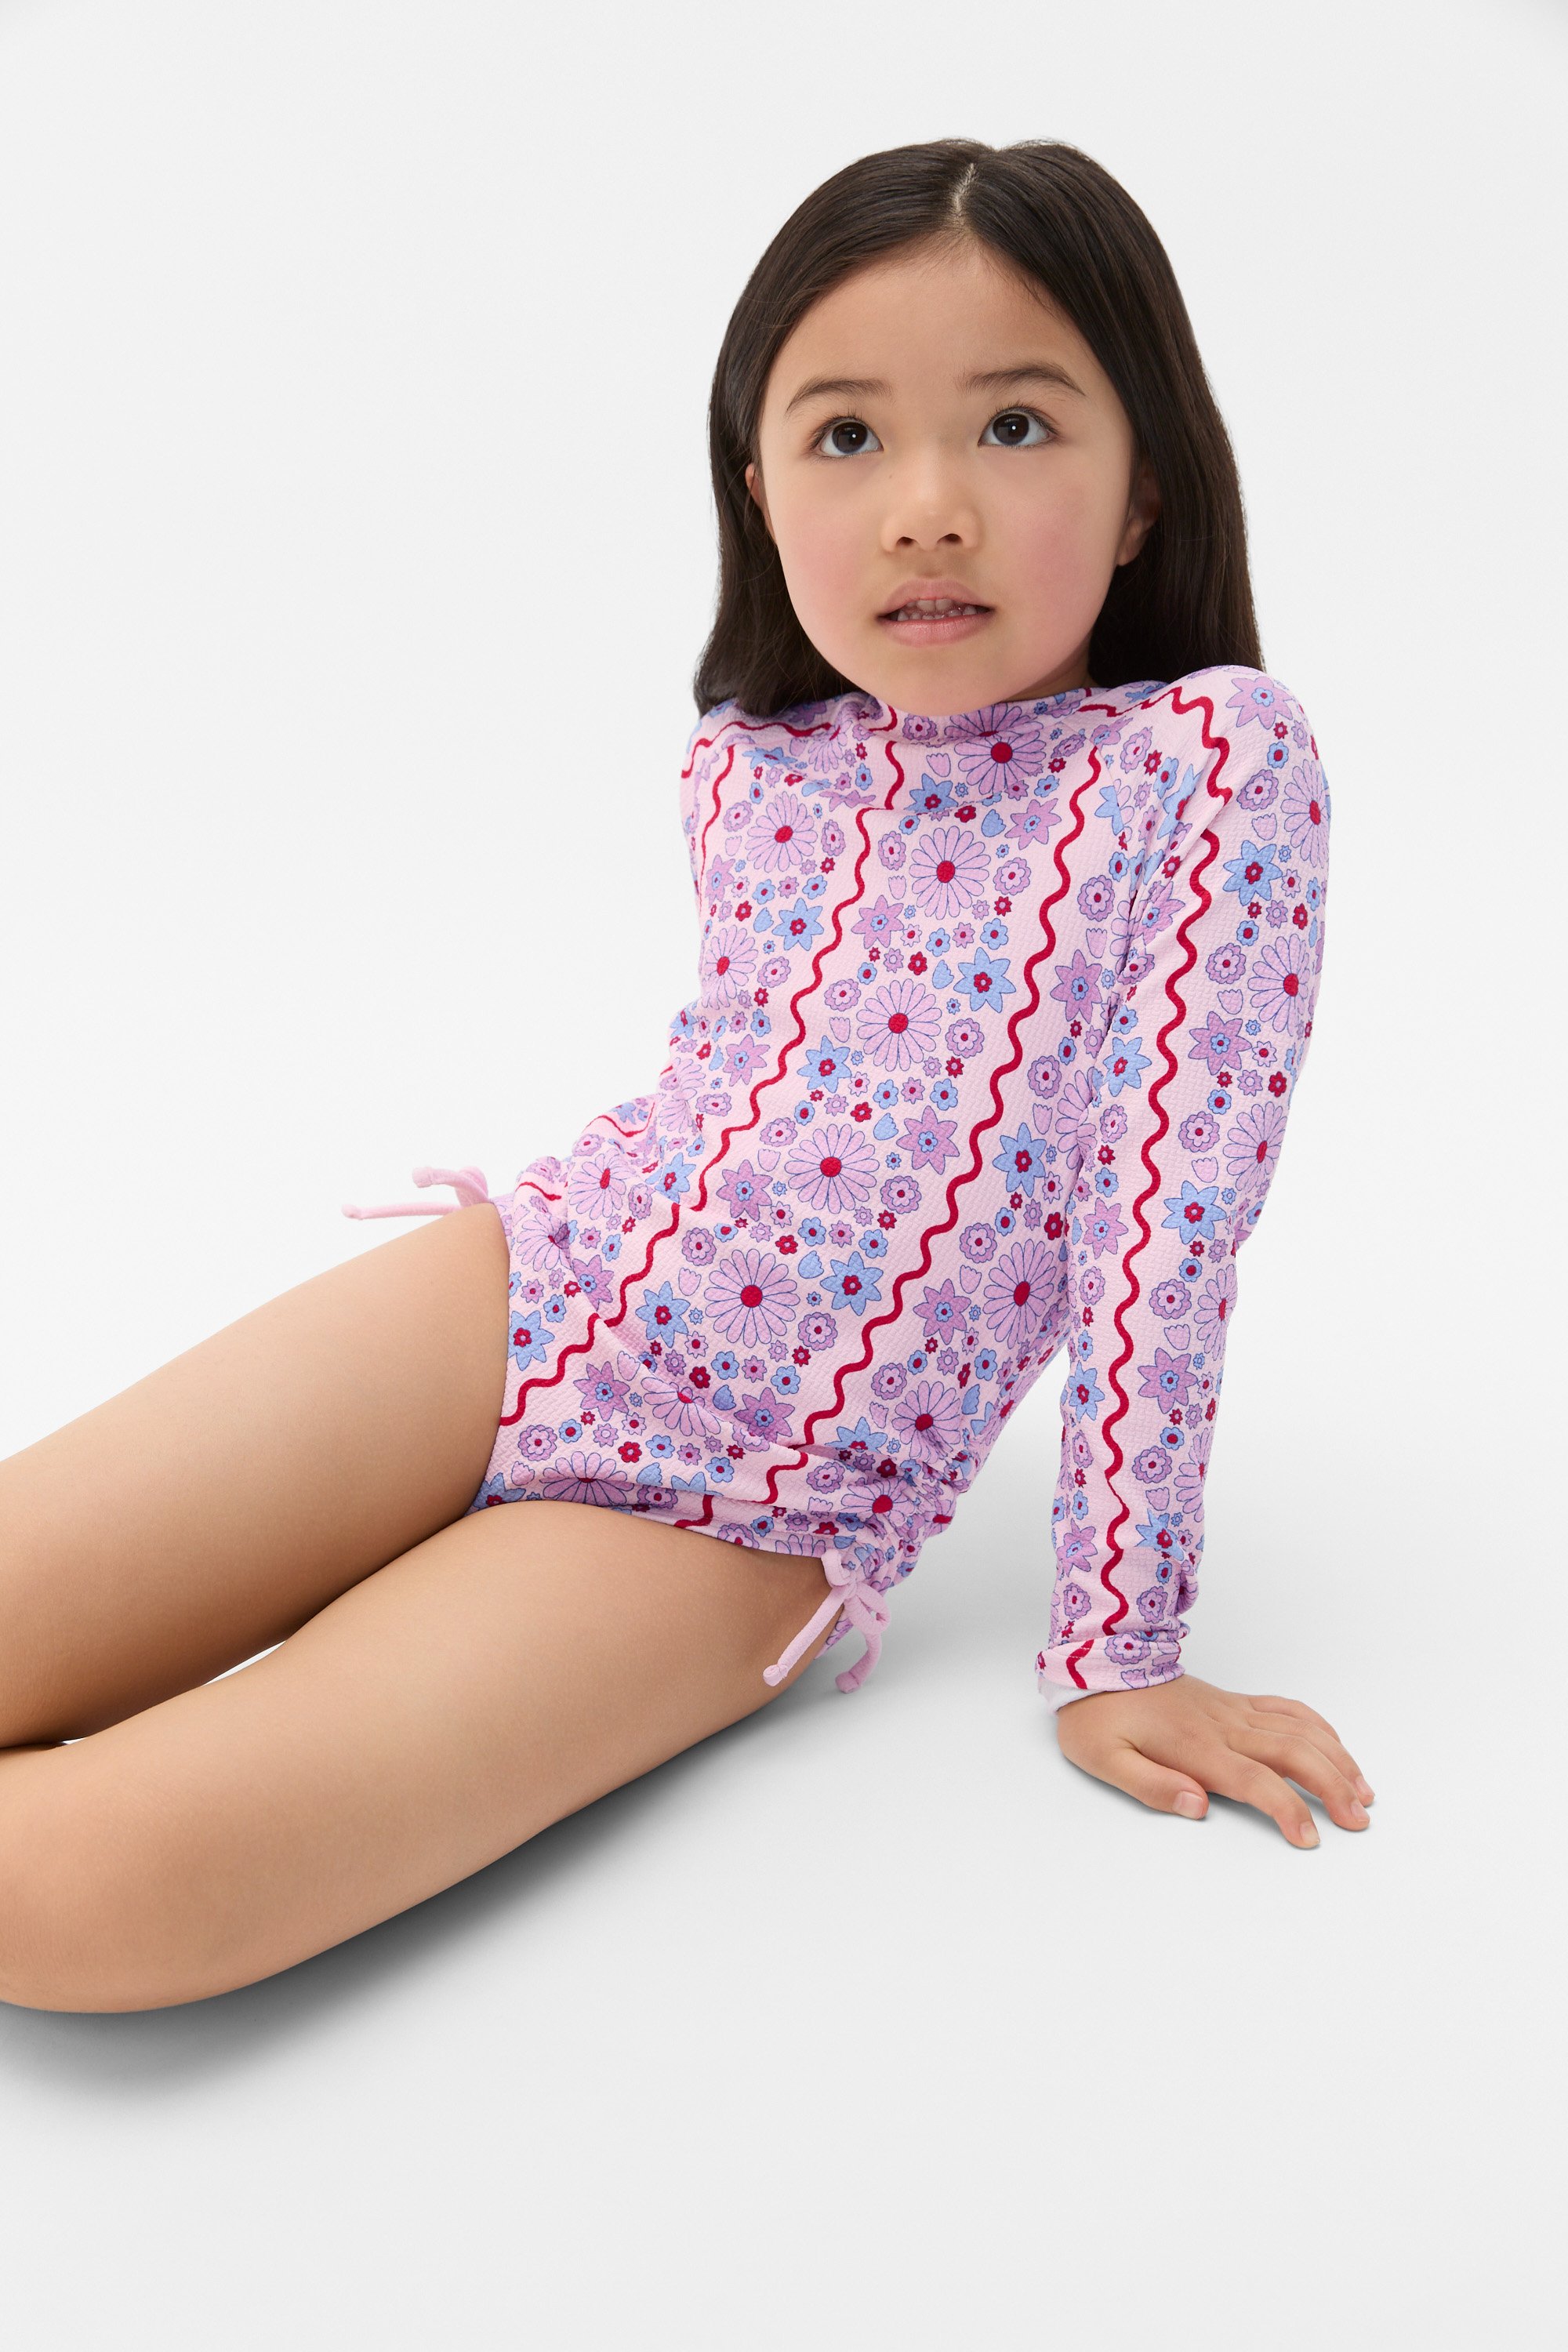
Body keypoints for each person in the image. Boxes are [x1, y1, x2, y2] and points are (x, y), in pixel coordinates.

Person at [0, 137, 1371, 2016]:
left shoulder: (1206, 762)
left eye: (1016, 426)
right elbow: (724, 1092)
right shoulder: (747, 763)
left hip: (744, 1497)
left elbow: (1169, 1218)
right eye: (845, 436)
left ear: (1145, 485)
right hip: (521, 1287)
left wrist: (1116, 1646)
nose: (927, 509)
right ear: (759, 489)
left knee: (84, 1897)